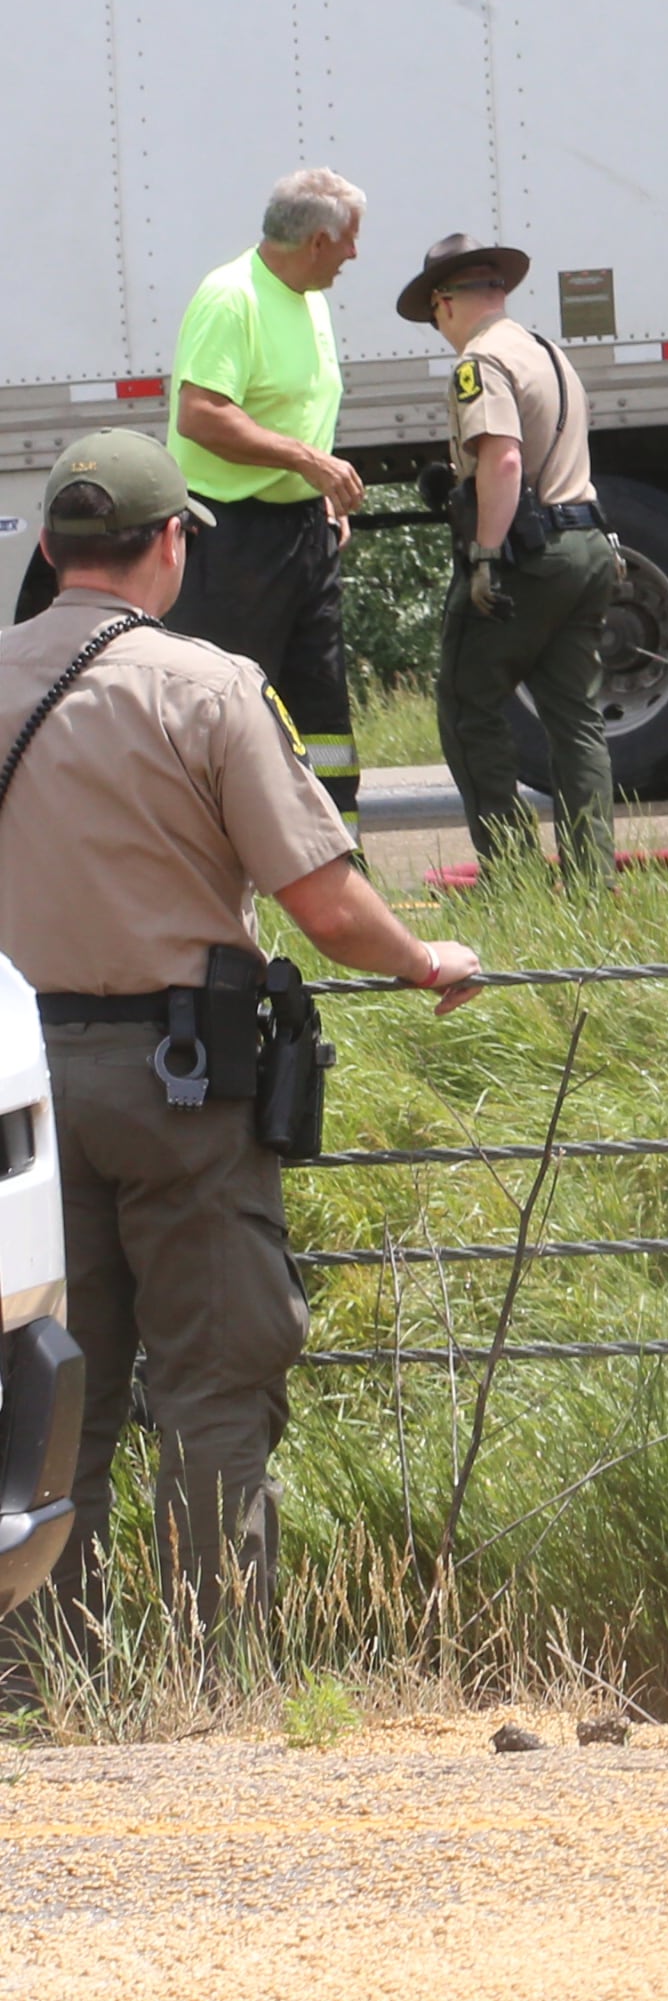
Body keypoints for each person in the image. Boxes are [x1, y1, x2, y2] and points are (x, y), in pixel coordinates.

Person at [0, 434, 484, 1657]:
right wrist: (425, 958)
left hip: (18, 1095)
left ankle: (60, 1681)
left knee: (55, 1392)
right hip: (181, 1083)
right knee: (214, 1382)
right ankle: (217, 1671)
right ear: (171, 546)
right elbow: (324, 908)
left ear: (51, 550)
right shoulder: (210, 689)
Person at [410, 233, 621, 886]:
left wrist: (482, 558)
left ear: (445, 302)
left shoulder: (479, 361)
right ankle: (592, 884)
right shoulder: (547, 353)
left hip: (528, 556)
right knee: (576, 722)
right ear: (497, 291)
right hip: (588, 545)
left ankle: (515, 880)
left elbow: (502, 459)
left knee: (467, 704)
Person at [165, 169, 372, 814]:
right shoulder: (232, 296)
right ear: (317, 240)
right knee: (231, 705)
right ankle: (222, 864)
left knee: (321, 704)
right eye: (349, 240)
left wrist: (319, 495)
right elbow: (199, 414)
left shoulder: (311, 297)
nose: (354, 256)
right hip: (232, 535)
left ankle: (339, 858)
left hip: (301, 533)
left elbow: (300, 409)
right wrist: (308, 463)